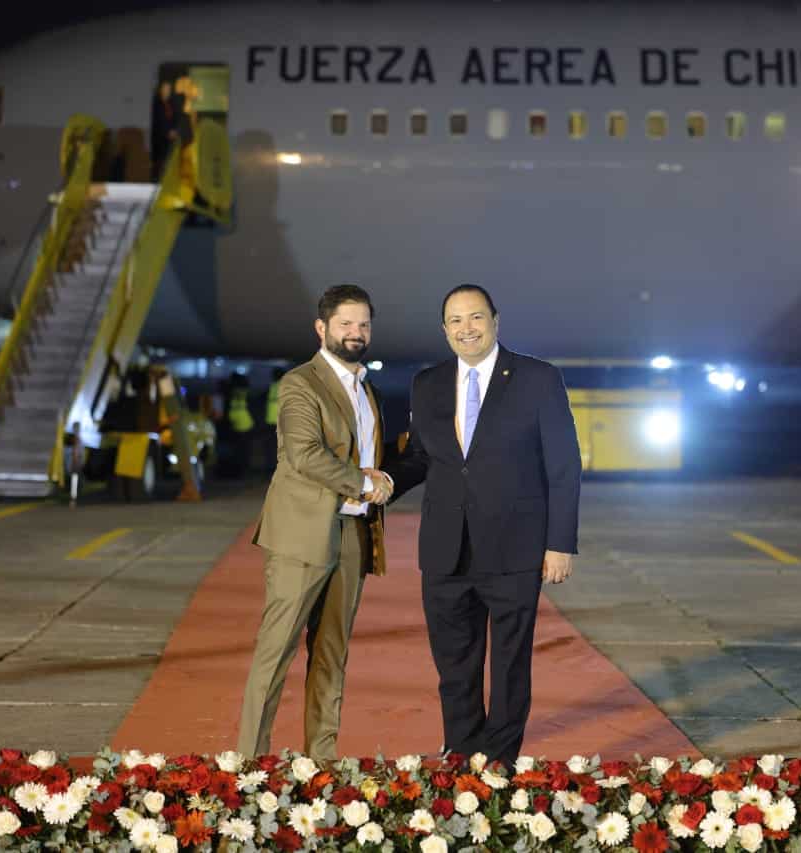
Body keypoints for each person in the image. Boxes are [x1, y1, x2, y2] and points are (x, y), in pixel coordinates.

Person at [383, 284, 582, 770]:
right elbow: (423, 458)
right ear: (444, 329)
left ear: (495, 320)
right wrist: (387, 479)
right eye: (455, 320)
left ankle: (500, 759)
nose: (466, 328)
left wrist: (560, 543)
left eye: (475, 318)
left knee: (510, 664)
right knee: (454, 663)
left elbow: (563, 464)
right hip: (446, 548)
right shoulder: (427, 383)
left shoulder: (537, 378)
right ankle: (461, 749)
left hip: (516, 547)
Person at [237, 285, 393, 760]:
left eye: (363, 324)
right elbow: (304, 455)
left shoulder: (366, 389)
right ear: (322, 328)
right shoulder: (301, 383)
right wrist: (365, 484)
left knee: (331, 656)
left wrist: (378, 481)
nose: (356, 333)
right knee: (276, 655)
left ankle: (320, 763)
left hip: (351, 534)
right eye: (345, 323)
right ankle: (250, 765)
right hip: (302, 535)